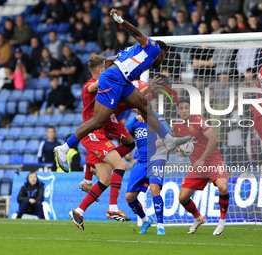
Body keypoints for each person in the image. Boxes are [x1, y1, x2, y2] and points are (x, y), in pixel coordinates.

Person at [54, 8, 191, 174]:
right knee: (98, 121)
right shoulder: (153, 48)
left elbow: (110, 59)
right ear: (161, 53)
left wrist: (107, 68)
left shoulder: (131, 52)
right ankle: (64, 147)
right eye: (164, 57)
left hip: (122, 80)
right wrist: (121, 21)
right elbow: (137, 33)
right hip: (114, 78)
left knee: (144, 105)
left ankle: (168, 139)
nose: (162, 60)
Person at [68, 55, 138, 230]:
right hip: (91, 134)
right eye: (106, 71)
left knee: (106, 178)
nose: (109, 74)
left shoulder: (105, 87)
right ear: (100, 72)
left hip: (101, 134)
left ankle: (79, 211)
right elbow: (94, 85)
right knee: (120, 165)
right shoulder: (88, 86)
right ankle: (112, 208)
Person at [173, 99, 229, 235]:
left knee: (223, 187)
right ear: (178, 111)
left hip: (213, 161)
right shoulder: (177, 126)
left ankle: (221, 222)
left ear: (191, 109)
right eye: (182, 108)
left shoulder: (199, 120)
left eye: (187, 107)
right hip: (197, 167)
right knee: (182, 198)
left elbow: (213, 139)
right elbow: (173, 141)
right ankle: (198, 218)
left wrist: (202, 159)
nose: (185, 110)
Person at [125, 111, 168, 235]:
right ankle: (145, 220)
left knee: (155, 190)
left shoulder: (157, 117)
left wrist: (162, 141)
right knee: (129, 197)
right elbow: (122, 133)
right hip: (140, 161)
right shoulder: (135, 122)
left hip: (156, 159)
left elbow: (168, 134)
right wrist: (134, 120)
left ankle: (160, 225)